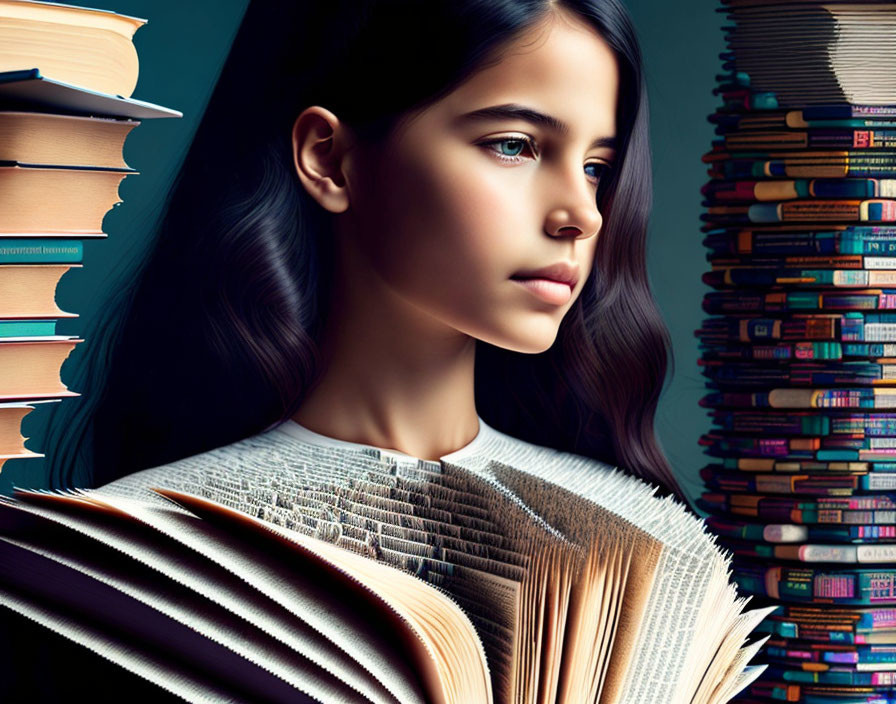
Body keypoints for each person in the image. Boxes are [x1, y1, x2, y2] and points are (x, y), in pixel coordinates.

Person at [2, 0, 698, 700]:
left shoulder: (647, 543)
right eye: (514, 144)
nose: (581, 214)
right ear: (329, 159)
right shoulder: (134, 556)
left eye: (597, 166)